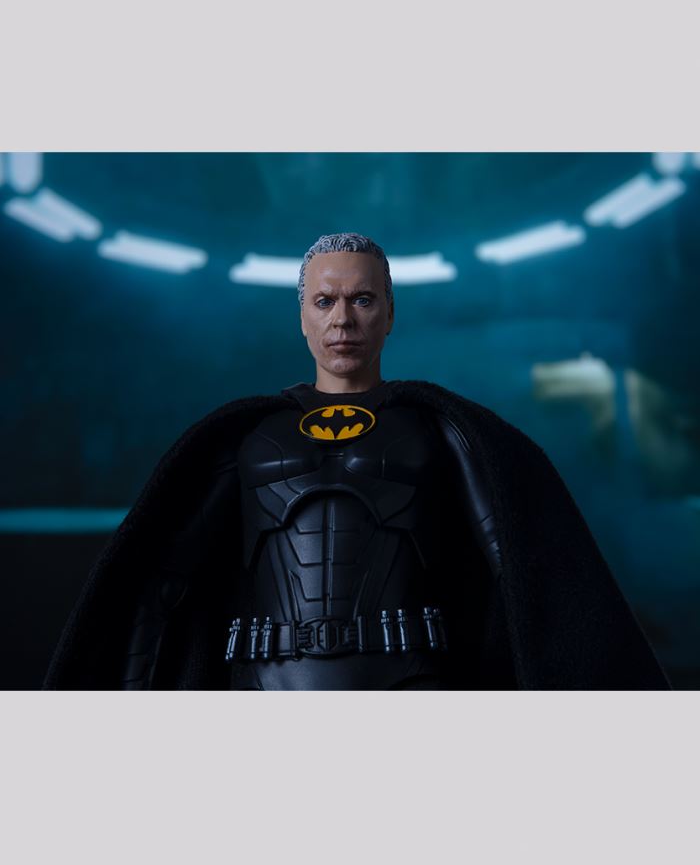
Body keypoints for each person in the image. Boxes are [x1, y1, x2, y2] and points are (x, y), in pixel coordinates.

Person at [44, 233, 671, 690]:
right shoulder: (247, 436)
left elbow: (525, 572)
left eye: (363, 299)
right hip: (261, 691)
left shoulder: (438, 430)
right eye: (325, 301)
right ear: (302, 317)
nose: (343, 319)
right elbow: (160, 583)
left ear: (390, 313)